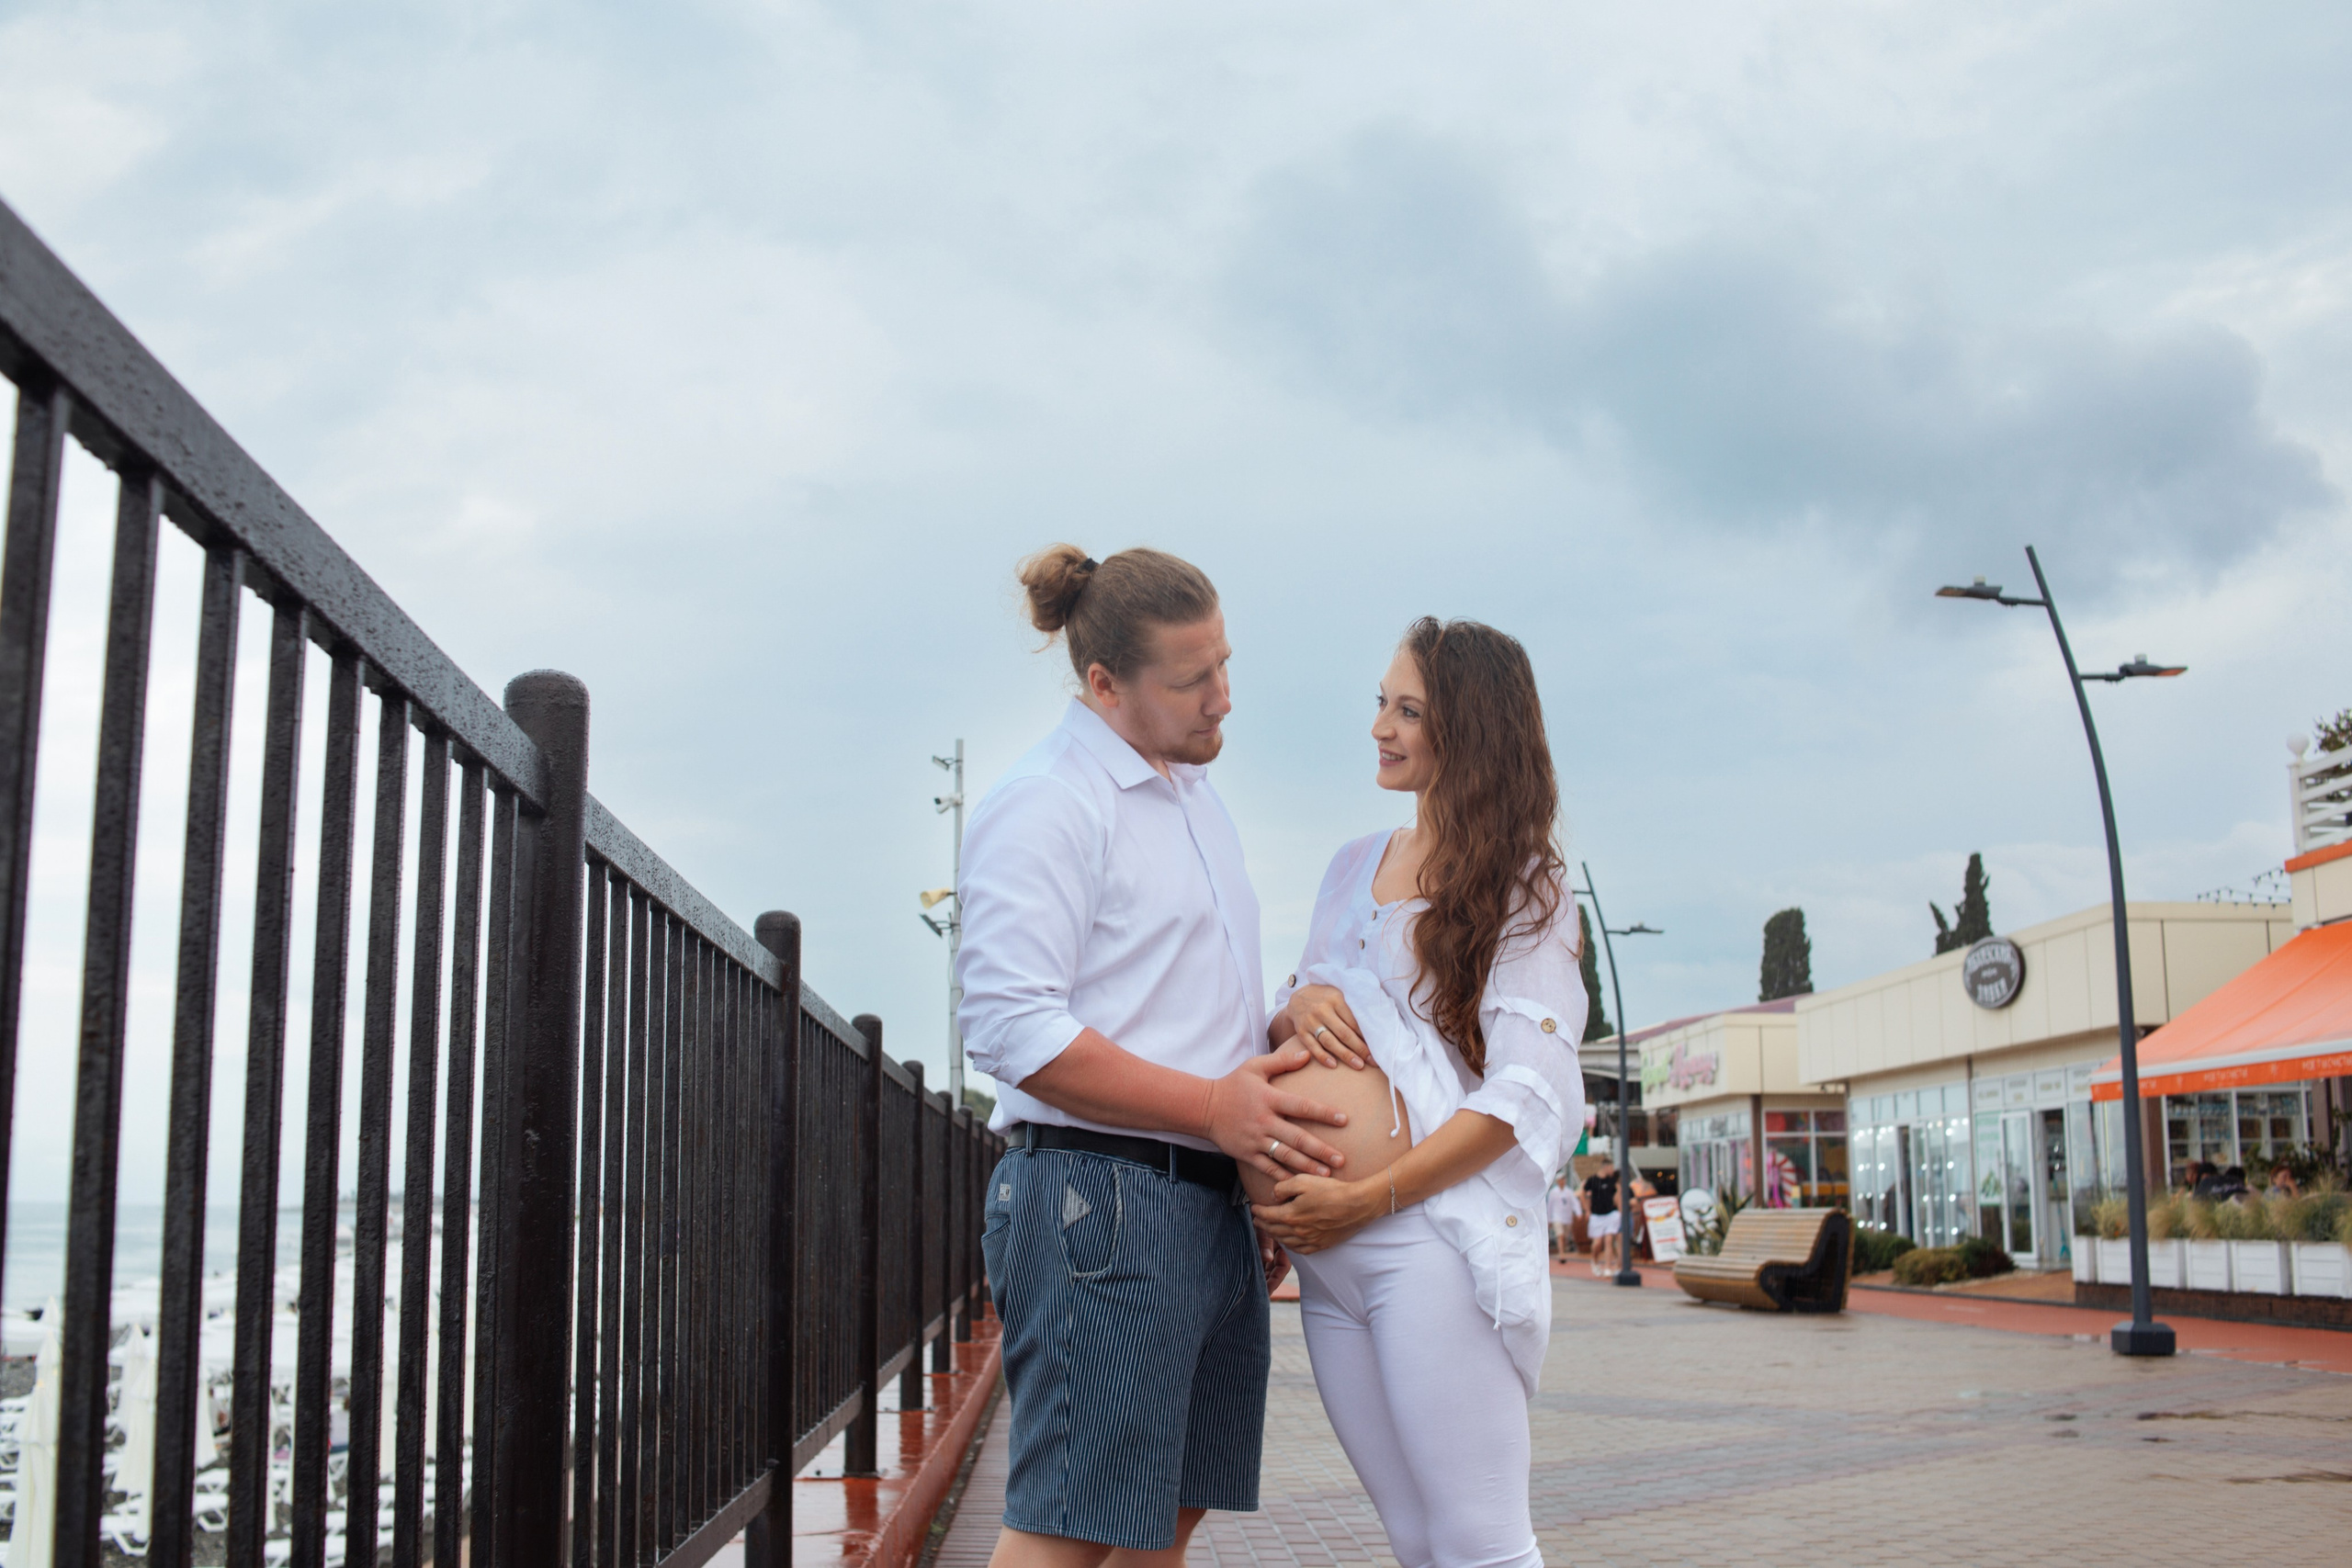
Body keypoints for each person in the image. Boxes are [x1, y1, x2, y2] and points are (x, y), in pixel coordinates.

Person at [957, 546, 1351, 1568]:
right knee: (1068, 1531)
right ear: (1103, 685)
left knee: (1166, 1517)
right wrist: (1216, 1115)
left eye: (1224, 665)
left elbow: (1174, 1001)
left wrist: (1282, 1019)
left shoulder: (1189, 795)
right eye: (1190, 680)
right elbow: (1008, 1025)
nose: (1223, 698)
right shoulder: (1047, 801)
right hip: (1102, 1201)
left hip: (1199, 1199)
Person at [1250, 617, 1588, 1568]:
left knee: (1481, 1542)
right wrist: (1297, 1003)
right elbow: (1305, 1018)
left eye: (1408, 711)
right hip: (1331, 1264)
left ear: (1468, 732)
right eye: (1381, 704)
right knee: (1414, 1539)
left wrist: (1369, 1194)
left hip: (1427, 1246)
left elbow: (1527, 1092)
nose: (1380, 728)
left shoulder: (1525, 890)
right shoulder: (1349, 864)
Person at [1583, 1156, 1622, 1277]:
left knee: (1609, 1240)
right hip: (1596, 1215)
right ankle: (1594, 1260)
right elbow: (1582, 1193)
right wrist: (1587, 1210)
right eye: (1611, 1168)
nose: (1612, 1170)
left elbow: (1619, 1192)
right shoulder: (1593, 1180)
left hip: (1610, 1214)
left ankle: (1608, 1266)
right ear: (1606, 1167)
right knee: (1597, 1243)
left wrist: (1620, 1210)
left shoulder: (1612, 1181)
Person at [1545, 1171, 1581, 1261]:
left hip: (1567, 1218)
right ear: (1558, 1181)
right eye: (1560, 1180)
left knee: (1565, 1237)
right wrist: (1549, 1220)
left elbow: (1575, 1203)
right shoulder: (1553, 1192)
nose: (1562, 1181)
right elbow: (1550, 1206)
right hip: (1557, 1217)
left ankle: (1563, 1251)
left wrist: (1578, 1213)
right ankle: (1561, 1254)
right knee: (1560, 1235)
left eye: (1563, 1180)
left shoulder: (1569, 1191)